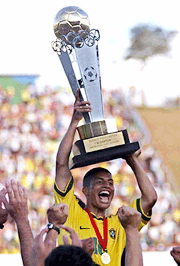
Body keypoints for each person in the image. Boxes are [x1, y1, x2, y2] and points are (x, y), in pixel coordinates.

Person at [54, 89, 157, 266]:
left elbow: (150, 198)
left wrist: (131, 159)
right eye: (100, 182)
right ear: (85, 190)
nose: (107, 186)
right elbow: (61, 165)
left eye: (111, 183)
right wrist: (75, 121)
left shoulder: (120, 222)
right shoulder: (71, 211)